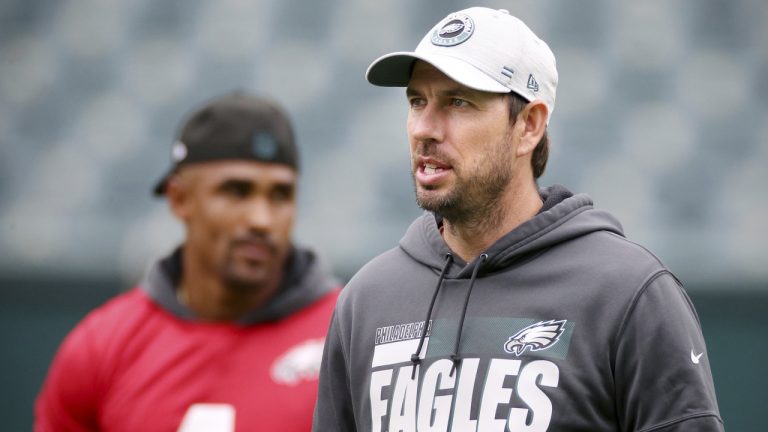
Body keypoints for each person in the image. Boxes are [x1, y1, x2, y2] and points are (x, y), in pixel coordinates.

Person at [313, 7, 723, 432]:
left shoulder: (627, 294)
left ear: (529, 125)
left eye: (457, 102)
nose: (424, 128)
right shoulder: (367, 301)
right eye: (417, 101)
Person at [35, 92, 341, 432]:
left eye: (281, 195)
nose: (261, 219)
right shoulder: (101, 348)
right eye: (237, 191)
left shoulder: (347, 336)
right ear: (179, 199)